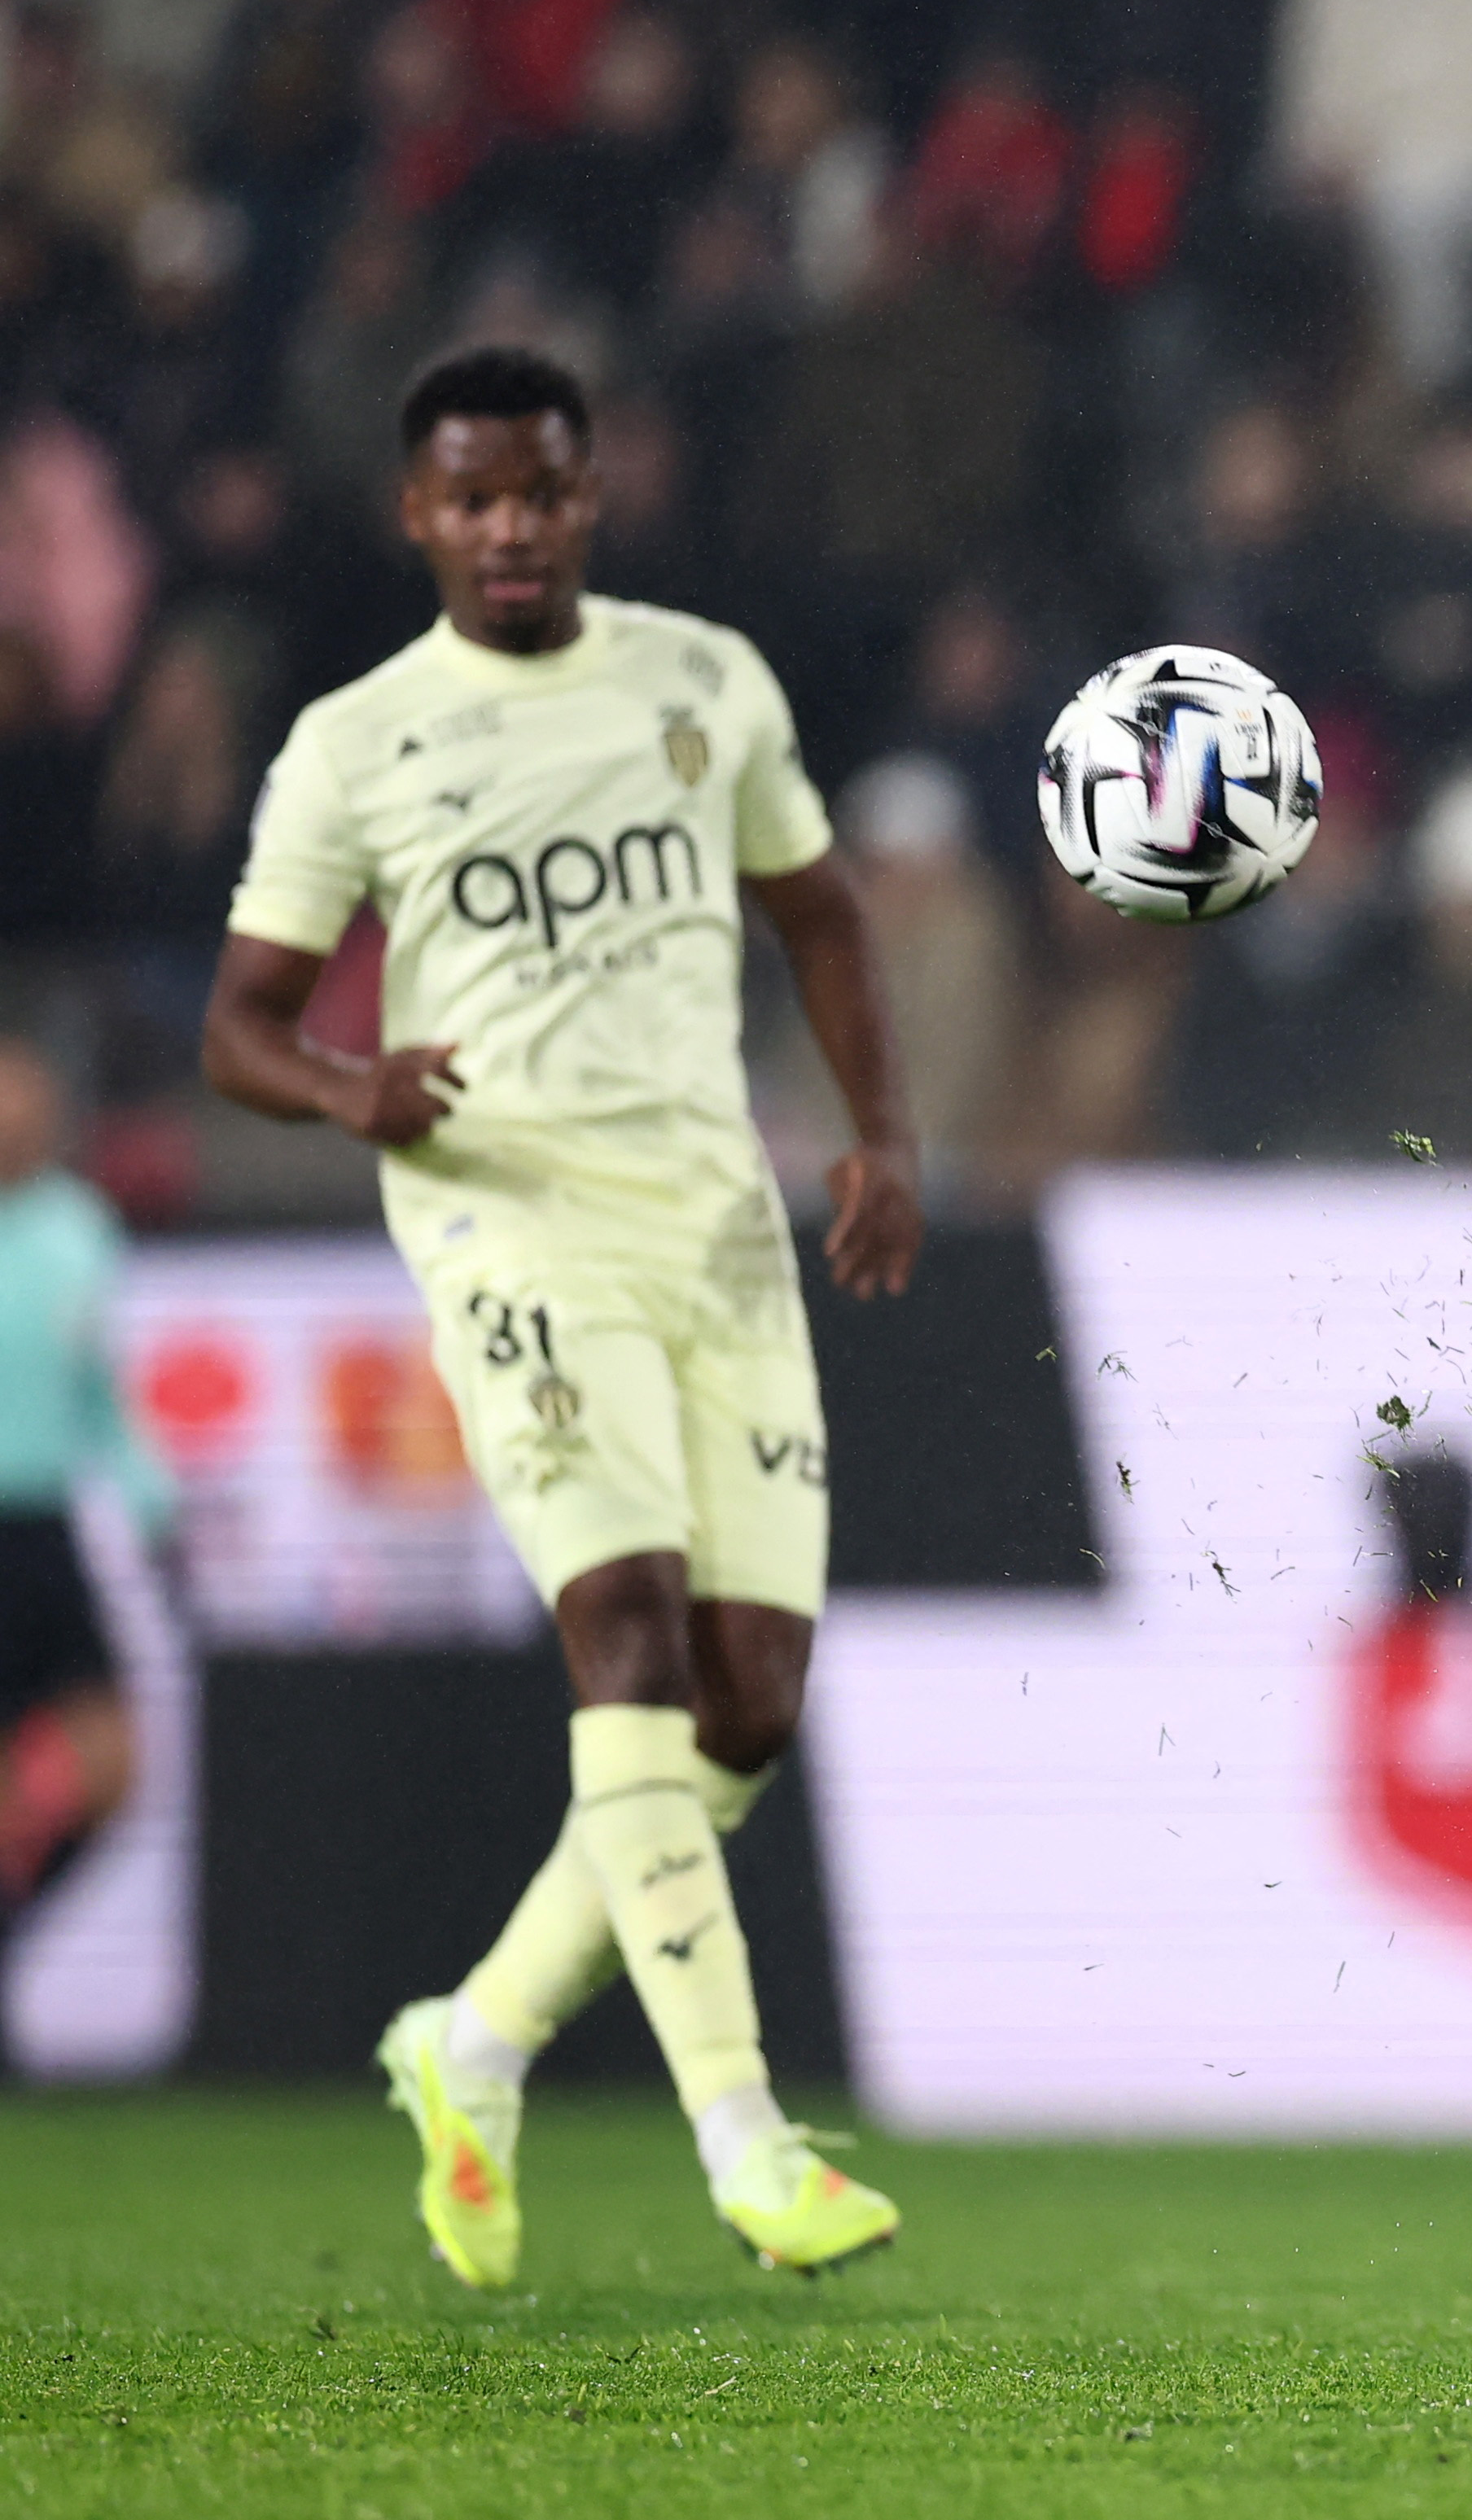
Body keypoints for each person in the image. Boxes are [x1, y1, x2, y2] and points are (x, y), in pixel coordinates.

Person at [201, 346, 920, 2287]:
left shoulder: (705, 680)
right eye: (473, 496)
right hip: (510, 1223)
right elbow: (239, 1025)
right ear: (417, 514)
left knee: (748, 1703)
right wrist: (349, 1083)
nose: (509, 525)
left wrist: (883, 1135)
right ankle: (749, 2139)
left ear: (590, 495)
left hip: (715, 1223)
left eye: (539, 490)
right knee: (629, 1642)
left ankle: (477, 2035)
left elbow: (822, 912)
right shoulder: (357, 741)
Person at [0, 1039, 171, 1946]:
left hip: (43, 1534)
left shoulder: (78, 1230)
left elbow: (99, 1393)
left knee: (109, 1764)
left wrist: (151, 1502)